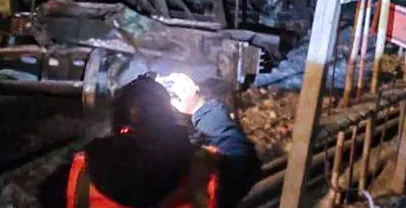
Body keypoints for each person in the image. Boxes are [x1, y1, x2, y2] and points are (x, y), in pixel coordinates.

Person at [39, 74, 260, 208]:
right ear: (169, 121)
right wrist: (200, 107)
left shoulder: (73, 180)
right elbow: (242, 157)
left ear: (118, 126)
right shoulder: (202, 172)